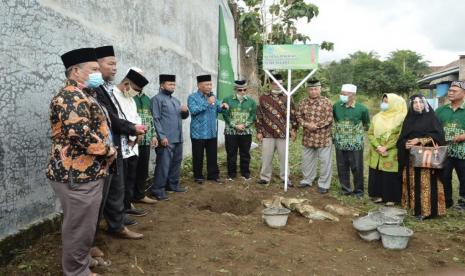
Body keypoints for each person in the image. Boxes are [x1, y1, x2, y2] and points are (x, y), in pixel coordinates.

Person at [47, 47, 116, 276]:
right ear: (75, 71)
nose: (98, 73)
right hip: (76, 173)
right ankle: (77, 272)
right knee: (79, 228)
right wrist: (108, 150)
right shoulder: (70, 96)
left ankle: (82, 261)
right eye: (94, 69)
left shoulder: (84, 94)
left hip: (85, 172)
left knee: (84, 225)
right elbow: (80, 135)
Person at [94, 46, 145, 238]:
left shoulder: (104, 88)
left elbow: (114, 116)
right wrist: (132, 128)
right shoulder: (96, 90)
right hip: (104, 150)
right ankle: (108, 229)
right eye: (111, 63)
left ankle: (116, 224)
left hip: (116, 147)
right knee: (109, 192)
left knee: (117, 188)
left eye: (116, 64)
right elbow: (112, 120)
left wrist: (134, 129)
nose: (115, 68)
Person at [397, 95, 446, 219]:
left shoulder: (432, 118)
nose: (418, 105)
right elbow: (401, 138)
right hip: (411, 158)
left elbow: (439, 137)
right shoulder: (408, 119)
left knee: (425, 184)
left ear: (425, 104)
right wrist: (405, 144)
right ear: (411, 105)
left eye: (421, 102)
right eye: (415, 103)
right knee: (412, 182)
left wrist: (420, 140)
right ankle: (413, 207)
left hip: (426, 159)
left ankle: (427, 211)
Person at [112, 68, 150, 218]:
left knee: (130, 178)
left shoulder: (131, 99)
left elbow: (136, 118)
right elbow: (117, 121)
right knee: (120, 182)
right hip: (121, 145)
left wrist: (140, 131)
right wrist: (133, 131)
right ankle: (119, 211)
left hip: (133, 145)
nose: (135, 93)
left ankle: (128, 205)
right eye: (135, 90)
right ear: (126, 84)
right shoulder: (112, 96)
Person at [151, 74, 189, 200]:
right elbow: (155, 119)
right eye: (170, 84)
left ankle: (172, 185)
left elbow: (182, 117)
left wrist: (185, 112)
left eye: (174, 84)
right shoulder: (157, 99)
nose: (173, 87)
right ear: (162, 85)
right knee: (163, 164)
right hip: (166, 139)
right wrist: (161, 136)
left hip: (178, 138)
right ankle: (158, 189)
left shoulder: (176, 101)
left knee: (176, 163)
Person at [255, 74, 298, 185]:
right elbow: (259, 115)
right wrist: (259, 131)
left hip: (283, 133)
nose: (277, 85)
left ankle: (285, 178)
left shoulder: (287, 97)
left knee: (284, 157)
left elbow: (293, 114)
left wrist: (294, 129)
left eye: (280, 83)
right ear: (270, 84)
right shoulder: (263, 98)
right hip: (267, 132)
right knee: (266, 157)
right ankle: (265, 177)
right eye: (275, 83)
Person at [187, 74, 228, 184]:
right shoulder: (192, 97)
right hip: (198, 133)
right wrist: (207, 103)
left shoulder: (213, 96)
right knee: (198, 156)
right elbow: (194, 111)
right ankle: (198, 176)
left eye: (210, 84)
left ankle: (213, 175)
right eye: (207, 84)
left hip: (211, 132)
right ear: (199, 85)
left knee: (212, 155)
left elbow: (219, 108)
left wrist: (223, 106)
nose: (209, 87)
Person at [368, 93, 407, 205]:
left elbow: (400, 136)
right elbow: (370, 133)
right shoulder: (377, 117)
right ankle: (378, 195)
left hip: (392, 151)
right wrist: (378, 146)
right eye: (383, 101)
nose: (384, 104)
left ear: (394, 104)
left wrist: (386, 147)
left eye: (387, 102)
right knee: (377, 173)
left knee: (390, 175)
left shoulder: (401, 118)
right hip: (376, 150)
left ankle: (391, 198)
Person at [296, 79, 333, 194]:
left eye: (315, 89)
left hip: (323, 137)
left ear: (320, 89)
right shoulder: (303, 102)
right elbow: (298, 116)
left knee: (325, 162)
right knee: (307, 160)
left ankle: (324, 184)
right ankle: (307, 180)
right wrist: (306, 124)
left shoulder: (326, 102)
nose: (313, 91)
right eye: (311, 89)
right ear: (308, 90)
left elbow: (329, 118)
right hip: (308, 137)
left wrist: (315, 125)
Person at [333, 84, 370, 197]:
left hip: (355, 144)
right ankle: (345, 190)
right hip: (340, 143)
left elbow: (366, 124)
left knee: (357, 167)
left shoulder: (362, 108)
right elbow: (335, 120)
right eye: (341, 93)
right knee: (342, 167)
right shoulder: (336, 106)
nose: (342, 96)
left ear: (353, 95)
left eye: (345, 94)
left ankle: (359, 191)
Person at [436, 81, 465, 210]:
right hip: (445, 150)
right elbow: (434, 127)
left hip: (463, 151)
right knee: (444, 176)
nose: (450, 92)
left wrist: (463, 136)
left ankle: (463, 202)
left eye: (454, 90)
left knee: (464, 177)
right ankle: (446, 201)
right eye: (450, 90)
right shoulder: (441, 110)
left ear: (463, 93)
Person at [222, 80, 257, 181]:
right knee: (231, 153)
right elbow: (225, 115)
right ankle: (231, 174)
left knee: (245, 153)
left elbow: (253, 115)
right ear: (235, 89)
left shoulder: (251, 102)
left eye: (244, 90)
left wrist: (245, 125)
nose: (242, 92)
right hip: (231, 132)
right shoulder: (227, 100)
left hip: (246, 132)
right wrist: (234, 125)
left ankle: (245, 173)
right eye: (240, 90)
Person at [133, 76, 159, 205]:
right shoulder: (129, 98)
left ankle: (140, 194)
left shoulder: (147, 99)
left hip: (146, 140)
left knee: (143, 169)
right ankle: (128, 199)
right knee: (131, 171)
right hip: (133, 141)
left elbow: (151, 118)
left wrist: (153, 135)